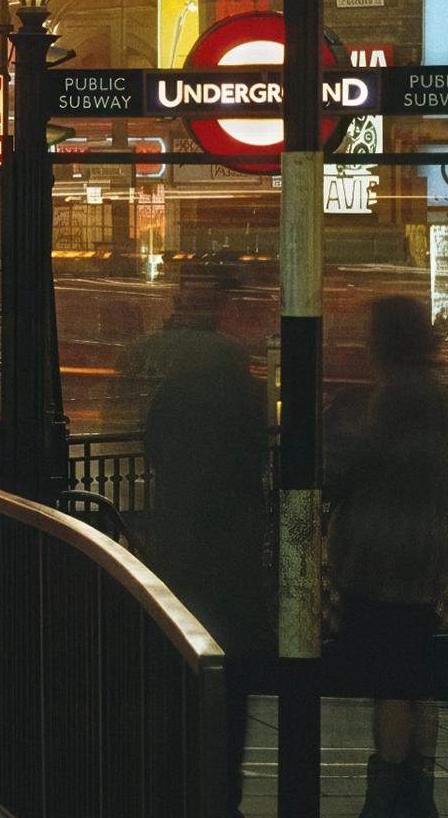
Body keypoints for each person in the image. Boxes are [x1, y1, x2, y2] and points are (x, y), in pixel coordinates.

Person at [328, 294, 448, 818]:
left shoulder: (398, 395)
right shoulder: (434, 394)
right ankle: (416, 791)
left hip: (385, 557)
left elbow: (365, 464)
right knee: (415, 674)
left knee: (392, 680)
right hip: (421, 551)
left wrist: (337, 440)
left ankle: (388, 795)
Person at [129, 265, 270, 690]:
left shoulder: (173, 394)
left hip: (181, 518)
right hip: (235, 522)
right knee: (231, 617)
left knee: (188, 605)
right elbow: (257, 451)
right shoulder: (249, 393)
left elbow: (153, 441)